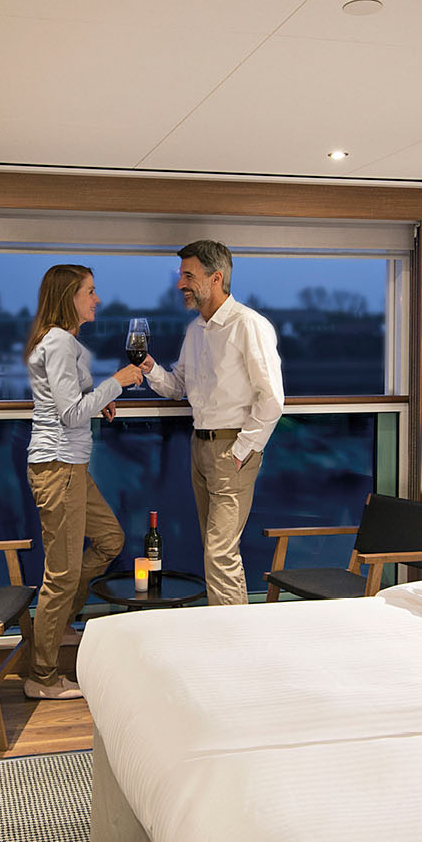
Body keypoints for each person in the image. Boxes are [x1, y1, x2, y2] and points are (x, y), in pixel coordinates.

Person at [24, 265, 144, 699]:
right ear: (68, 297)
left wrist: (100, 402)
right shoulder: (58, 341)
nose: (97, 299)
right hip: (59, 468)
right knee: (61, 574)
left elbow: (74, 403)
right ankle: (41, 676)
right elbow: (70, 413)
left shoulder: (63, 341)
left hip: (72, 468)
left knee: (110, 539)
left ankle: (58, 625)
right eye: (90, 291)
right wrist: (117, 382)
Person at [142, 240, 284, 606]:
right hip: (200, 447)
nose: (181, 284)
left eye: (189, 276)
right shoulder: (196, 331)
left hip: (231, 450)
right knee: (215, 549)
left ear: (215, 278)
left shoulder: (248, 325)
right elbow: (178, 387)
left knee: (220, 553)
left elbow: (272, 398)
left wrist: (241, 450)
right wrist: (150, 368)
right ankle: (226, 627)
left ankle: (235, 636)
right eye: (181, 276)